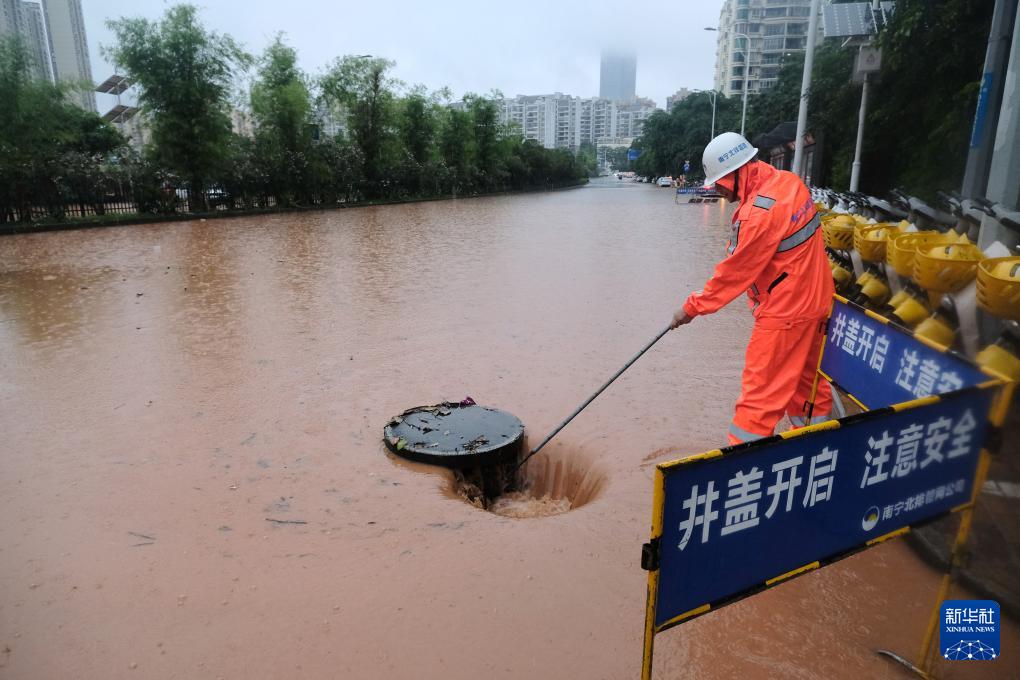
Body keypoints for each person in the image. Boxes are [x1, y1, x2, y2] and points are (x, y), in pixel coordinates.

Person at [670, 132, 838, 445]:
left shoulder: (757, 215)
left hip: (784, 315)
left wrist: (690, 309)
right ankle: (814, 447)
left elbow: (732, 275)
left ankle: (742, 462)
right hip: (818, 306)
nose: (719, 190)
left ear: (737, 173)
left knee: (759, 400)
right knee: (809, 389)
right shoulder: (791, 183)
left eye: (721, 182)